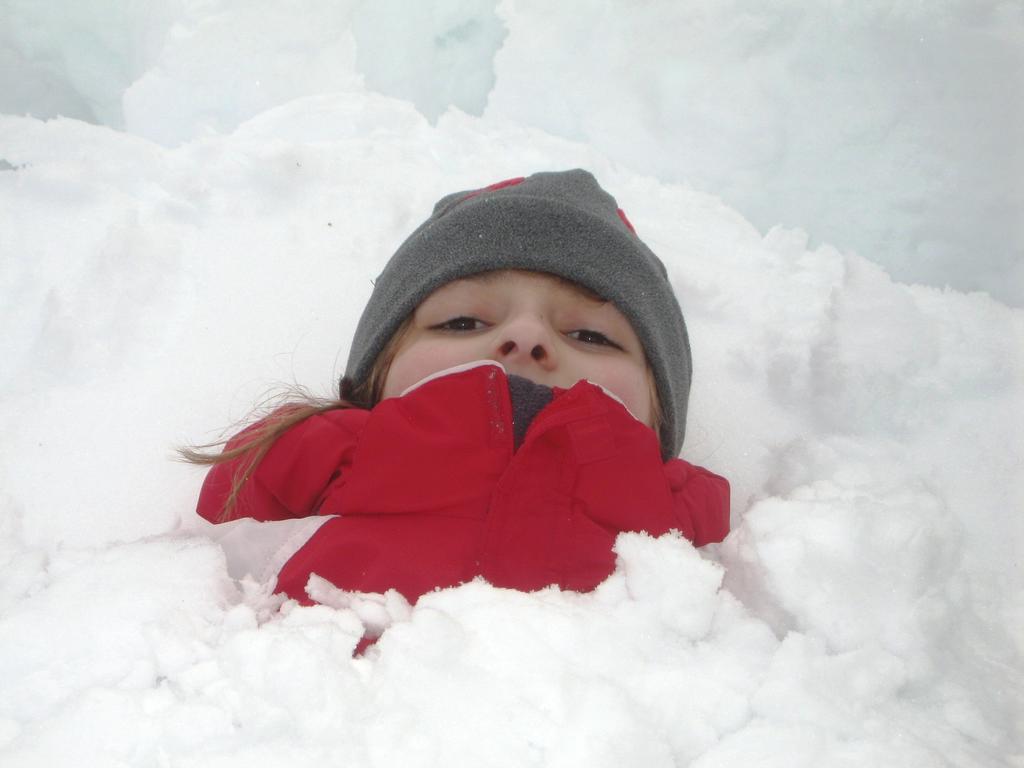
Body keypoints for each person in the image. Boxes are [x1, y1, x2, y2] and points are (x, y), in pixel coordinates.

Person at [186, 169, 729, 619]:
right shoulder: (305, 463)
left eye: (589, 335)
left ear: (660, 417)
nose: (527, 337)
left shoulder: (691, 521)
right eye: (463, 322)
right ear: (376, 379)